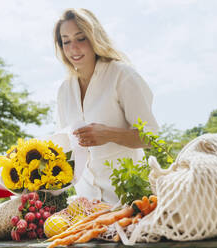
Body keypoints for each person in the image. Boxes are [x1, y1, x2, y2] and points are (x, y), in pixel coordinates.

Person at [53, 8, 159, 204]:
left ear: (94, 37)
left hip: (131, 200)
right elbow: (65, 149)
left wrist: (110, 134)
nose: (73, 48)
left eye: (81, 38)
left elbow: (152, 136)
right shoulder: (63, 91)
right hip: (88, 207)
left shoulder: (122, 75)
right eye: (66, 41)